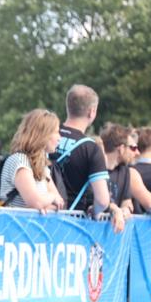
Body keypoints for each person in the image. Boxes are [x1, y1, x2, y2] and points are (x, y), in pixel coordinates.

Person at [52, 84, 125, 232]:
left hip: (39, 219)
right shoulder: (91, 148)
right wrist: (96, 211)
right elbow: (102, 199)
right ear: (92, 112)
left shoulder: (47, 135)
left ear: (68, 106)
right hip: (71, 225)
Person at [0, 109, 65, 211]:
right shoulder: (19, 161)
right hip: (15, 225)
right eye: (56, 132)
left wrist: (44, 204)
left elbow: (60, 203)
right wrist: (51, 197)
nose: (60, 138)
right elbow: (36, 202)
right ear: (42, 134)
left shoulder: (42, 165)